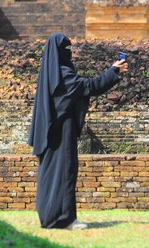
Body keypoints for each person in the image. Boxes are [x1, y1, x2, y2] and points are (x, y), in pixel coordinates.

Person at [27, 33, 128, 230]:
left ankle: (53, 216)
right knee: (65, 171)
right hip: (60, 133)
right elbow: (88, 86)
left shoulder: (52, 74)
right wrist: (113, 71)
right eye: (67, 50)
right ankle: (63, 219)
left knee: (54, 173)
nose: (70, 54)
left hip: (51, 133)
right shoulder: (62, 75)